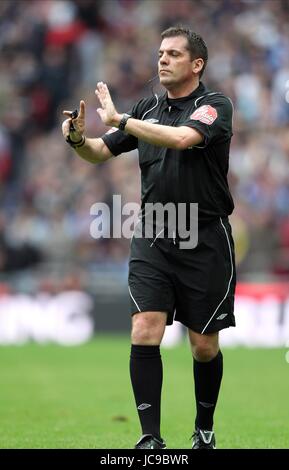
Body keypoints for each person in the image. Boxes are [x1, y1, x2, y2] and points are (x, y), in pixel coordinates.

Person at [62, 26, 236, 450]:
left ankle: (205, 430)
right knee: (144, 328)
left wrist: (123, 120)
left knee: (203, 346)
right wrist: (77, 138)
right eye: (160, 52)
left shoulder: (214, 106)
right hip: (154, 234)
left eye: (174, 54)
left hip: (205, 238)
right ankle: (149, 440)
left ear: (197, 65)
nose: (162, 60)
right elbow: (100, 152)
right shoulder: (148, 107)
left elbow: (182, 139)